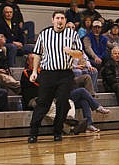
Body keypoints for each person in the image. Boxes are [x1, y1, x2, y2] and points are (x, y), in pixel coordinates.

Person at [28, 11, 85, 143]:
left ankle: (57, 132)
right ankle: (33, 133)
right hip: (48, 73)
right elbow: (37, 54)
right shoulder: (44, 34)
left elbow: (80, 54)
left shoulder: (72, 34)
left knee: (62, 102)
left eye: (62, 18)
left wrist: (71, 52)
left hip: (65, 74)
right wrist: (35, 71)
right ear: (53, 20)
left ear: (65, 21)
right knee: (43, 103)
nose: (60, 20)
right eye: (57, 18)